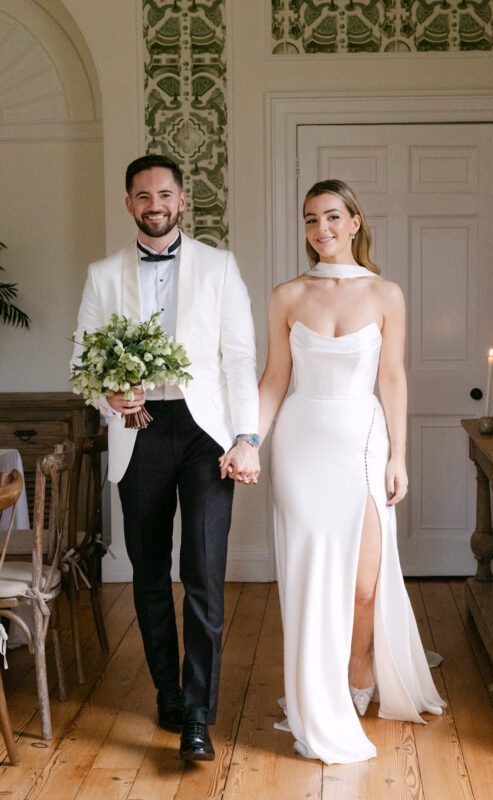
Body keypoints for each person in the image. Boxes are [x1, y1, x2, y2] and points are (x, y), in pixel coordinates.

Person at [224, 179, 445, 764]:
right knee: (309, 577)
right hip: (300, 445)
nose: (320, 229)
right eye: (309, 220)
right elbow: (273, 379)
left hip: (362, 443)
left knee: (365, 584)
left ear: (354, 223)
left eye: (331, 217)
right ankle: (318, 697)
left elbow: (392, 377)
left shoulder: (385, 294)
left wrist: (399, 454)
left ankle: (359, 668)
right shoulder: (287, 296)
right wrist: (248, 441)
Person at [71, 154, 261, 761]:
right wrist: (111, 396)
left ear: (182, 201)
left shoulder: (220, 266)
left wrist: (246, 436)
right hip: (139, 430)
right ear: (129, 204)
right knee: (149, 574)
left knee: (203, 572)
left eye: (164, 194)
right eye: (142, 196)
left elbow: (239, 358)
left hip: (206, 435)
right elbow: (82, 363)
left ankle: (200, 715)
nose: (154, 205)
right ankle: (168, 693)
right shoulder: (103, 275)